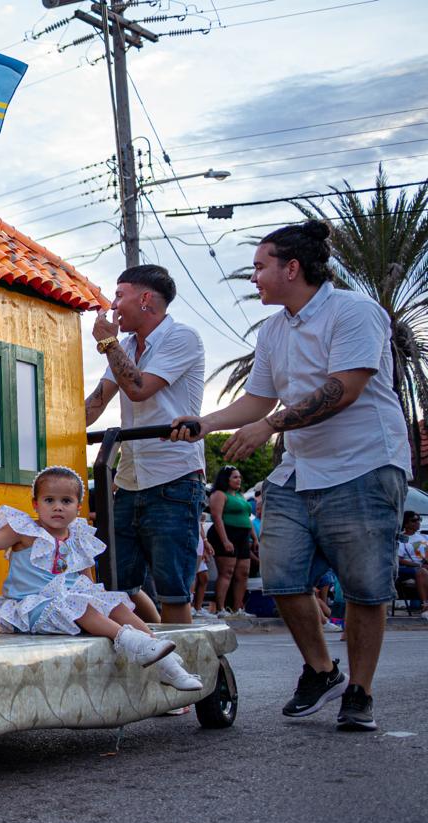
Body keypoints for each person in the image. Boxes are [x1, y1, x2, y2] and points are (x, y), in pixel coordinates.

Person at [171, 220, 410, 732]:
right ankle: (322, 671)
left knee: (365, 589)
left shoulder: (355, 312)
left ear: (292, 268)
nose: (254, 277)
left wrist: (269, 427)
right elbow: (260, 397)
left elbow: (344, 387)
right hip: (299, 471)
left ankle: (360, 691)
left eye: (260, 267)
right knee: (280, 577)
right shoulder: (275, 330)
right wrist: (205, 422)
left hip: (364, 465)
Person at [0, 467, 201, 691]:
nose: (58, 506)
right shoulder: (23, 530)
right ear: (35, 504)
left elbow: (86, 581)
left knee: (114, 604)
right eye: (49, 500)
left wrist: (101, 602)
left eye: (66, 501)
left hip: (70, 602)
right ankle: (131, 642)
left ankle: (165, 662)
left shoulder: (79, 535)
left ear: (78, 506)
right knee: (82, 606)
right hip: (34, 605)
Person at [85, 265, 206, 626]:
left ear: (146, 299)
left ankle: (182, 668)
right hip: (129, 479)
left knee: (173, 589)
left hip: (175, 478)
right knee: (115, 583)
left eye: (119, 295)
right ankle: (151, 645)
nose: (114, 304)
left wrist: (107, 343)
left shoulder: (182, 337)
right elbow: (97, 403)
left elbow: (138, 388)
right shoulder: (123, 348)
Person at [207, 466, 257, 617]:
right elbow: (216, 517)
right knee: (227, 572)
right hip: (227, 534)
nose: (239, 480)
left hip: (243, 537)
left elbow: (247, 518)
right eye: (235, 477)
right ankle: (221, 608)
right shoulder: (219, 494)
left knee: (243, 573)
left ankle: (237, 609)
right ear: (226, 479)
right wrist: (225, 540)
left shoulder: (240, 496)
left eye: (239, 477)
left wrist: (254, 538)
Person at [395, 511, 428, 621]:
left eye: (419, 520)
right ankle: (425, 606)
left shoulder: (423, 537)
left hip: (423, 566)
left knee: (423, 570)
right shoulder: (401, 539)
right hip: (407, 568)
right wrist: (419, 565)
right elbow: (399, 559)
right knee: (422, 572)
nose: (417, 522)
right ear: (405, 523)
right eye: (414, 520)